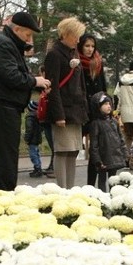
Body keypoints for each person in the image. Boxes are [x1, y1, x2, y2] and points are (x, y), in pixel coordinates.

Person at [0, 11, 51, 190]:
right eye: (28, 35)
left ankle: (4, 194)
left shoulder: (8, 43)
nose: (29, 40)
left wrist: (37, 84)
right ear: (17, 29)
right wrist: (35, 81)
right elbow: (12, 77)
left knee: (7, 157)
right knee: (5, 158)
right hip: (2, 107)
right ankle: (3, 196)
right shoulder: (3, 44)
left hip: (6, 106)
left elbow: (16, 75)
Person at [45, 17, 87, 189]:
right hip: (63, 110)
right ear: (66, 34)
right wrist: (58, 114)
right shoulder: (54, 54)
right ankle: (62, 188)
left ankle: (70, 188)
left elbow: (81, 85)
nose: (78, 40)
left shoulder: (74, 53)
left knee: (73, 151)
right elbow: (52, 87)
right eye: (75, 36)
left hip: (76, 110)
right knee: (62, 150)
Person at [78, 34, 108, 185]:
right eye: (86, 46)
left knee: (97, 149)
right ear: (81, 46)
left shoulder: (97, 62)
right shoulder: (76, 63)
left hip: (96, 110)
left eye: (92, 46)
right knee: (76, 147)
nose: (90, 49)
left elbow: (103, 86)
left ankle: (94, 184)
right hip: (82, 110)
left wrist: (105, 105)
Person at [89, 94, 128, 191]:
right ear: (98, 107)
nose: (109, 106)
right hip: (103, 157)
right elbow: (94, 145)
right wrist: (97, 160)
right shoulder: (96, 123)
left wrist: (124, 154)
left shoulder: (114, 122)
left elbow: (121, 139)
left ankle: (112, 195)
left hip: (114, 156)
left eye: (109, 104)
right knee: (102, 180)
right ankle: (103, 197)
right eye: (105, 104)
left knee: (113, 180)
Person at [36, 64, 55, 177]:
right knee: (52, 144)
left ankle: (53, 167)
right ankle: (52, 166)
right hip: (44, 120)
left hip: (49, 119)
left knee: (54, 145)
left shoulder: (50, 87)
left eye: (41, 74)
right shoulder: (43, 89)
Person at [24, 100, 44, 177]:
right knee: (36, 153)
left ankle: (37, 168)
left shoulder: (29, 117)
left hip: (32, 139)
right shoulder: (38, 116)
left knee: (33, 154)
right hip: (38, 138)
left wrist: (26, 138)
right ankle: (38, 167)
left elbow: (29, 129)